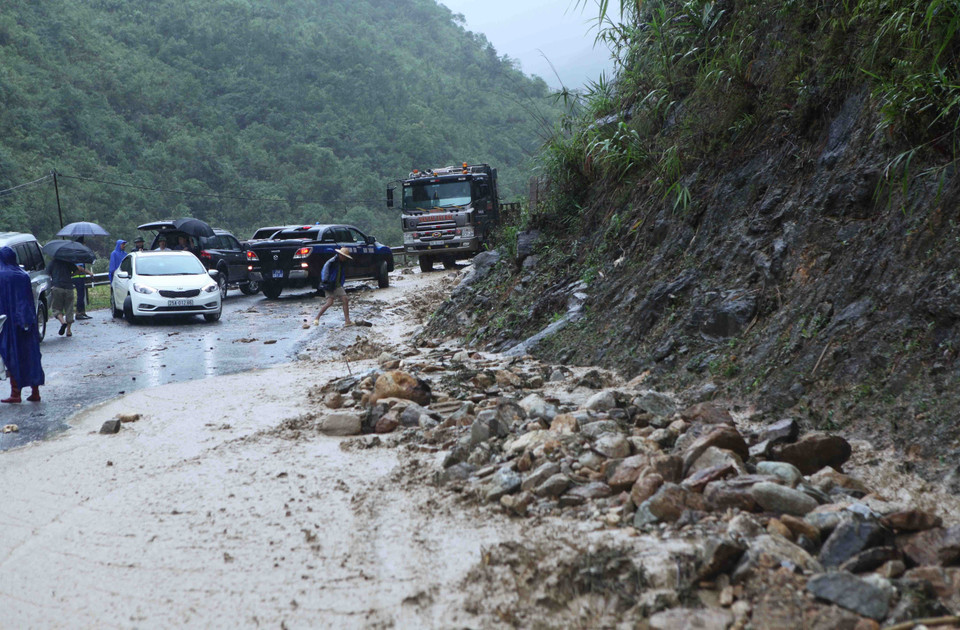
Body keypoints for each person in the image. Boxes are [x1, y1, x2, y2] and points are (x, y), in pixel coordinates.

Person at [0, 247, 44, 402]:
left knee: (12, 355)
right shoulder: (23, 275)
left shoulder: (2, 275)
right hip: (27, 321)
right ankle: (35, 391)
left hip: (9, 322)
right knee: (30, 355)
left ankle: (15, 393)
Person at [310, 247, 353, 327]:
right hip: (330, 284)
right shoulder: (332, 262)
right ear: (341, 255)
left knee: (345, 299)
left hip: (337, 285)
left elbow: (341, 274)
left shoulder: (341, 263)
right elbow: (325, 271)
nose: (345, 259)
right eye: (344, 257)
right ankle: (317, 318)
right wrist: (325, 282)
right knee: (329, 302)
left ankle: (347, 321)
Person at [47, 256, 86, 337]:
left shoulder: (52, 262)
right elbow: (78, 270)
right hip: (69, 288)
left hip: (57, 287)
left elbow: (47, 273)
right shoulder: (68, 261)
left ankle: (63, 322)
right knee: (69, 309)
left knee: (56, 308)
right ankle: (68, 331)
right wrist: (71, 275)